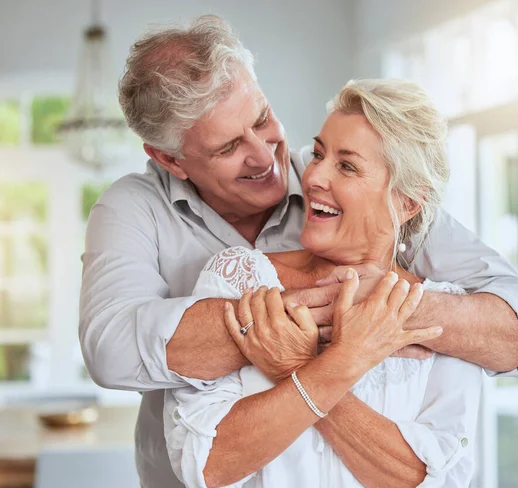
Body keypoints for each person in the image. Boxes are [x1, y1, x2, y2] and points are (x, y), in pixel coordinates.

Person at [78, 15, 518, 488]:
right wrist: (328, 320)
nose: (267, 156)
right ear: (169, 160)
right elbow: (112, 350)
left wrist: (401, 313)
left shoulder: (374, 199)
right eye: (228, 147)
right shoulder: (138, 212)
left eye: (262, 119)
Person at [164, 78, 483, 488]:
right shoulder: (239, 276)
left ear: (406, 203)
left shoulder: (444, 315)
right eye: (318, 154)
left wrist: (297, 367)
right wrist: (335, 368)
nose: (312, 176)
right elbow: (206, 465)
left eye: (346, 165)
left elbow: (430, 478)